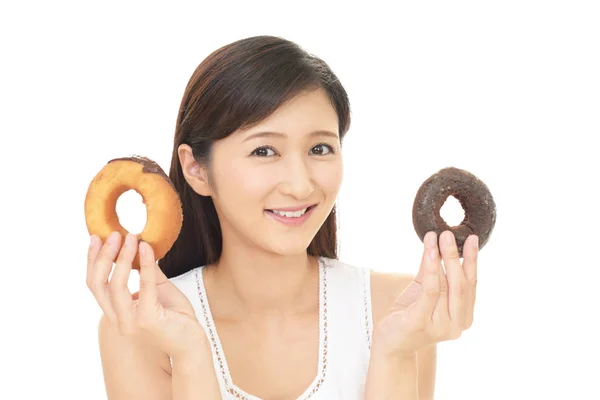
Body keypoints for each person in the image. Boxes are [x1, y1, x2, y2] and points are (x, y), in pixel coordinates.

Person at [86, 35, 479, 400]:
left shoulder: (400, 311)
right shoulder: (140, 327)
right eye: (264, 151)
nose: (300, 184)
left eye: (321, 148)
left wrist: (395, 353)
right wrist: (190, 354)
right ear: (197, 169)